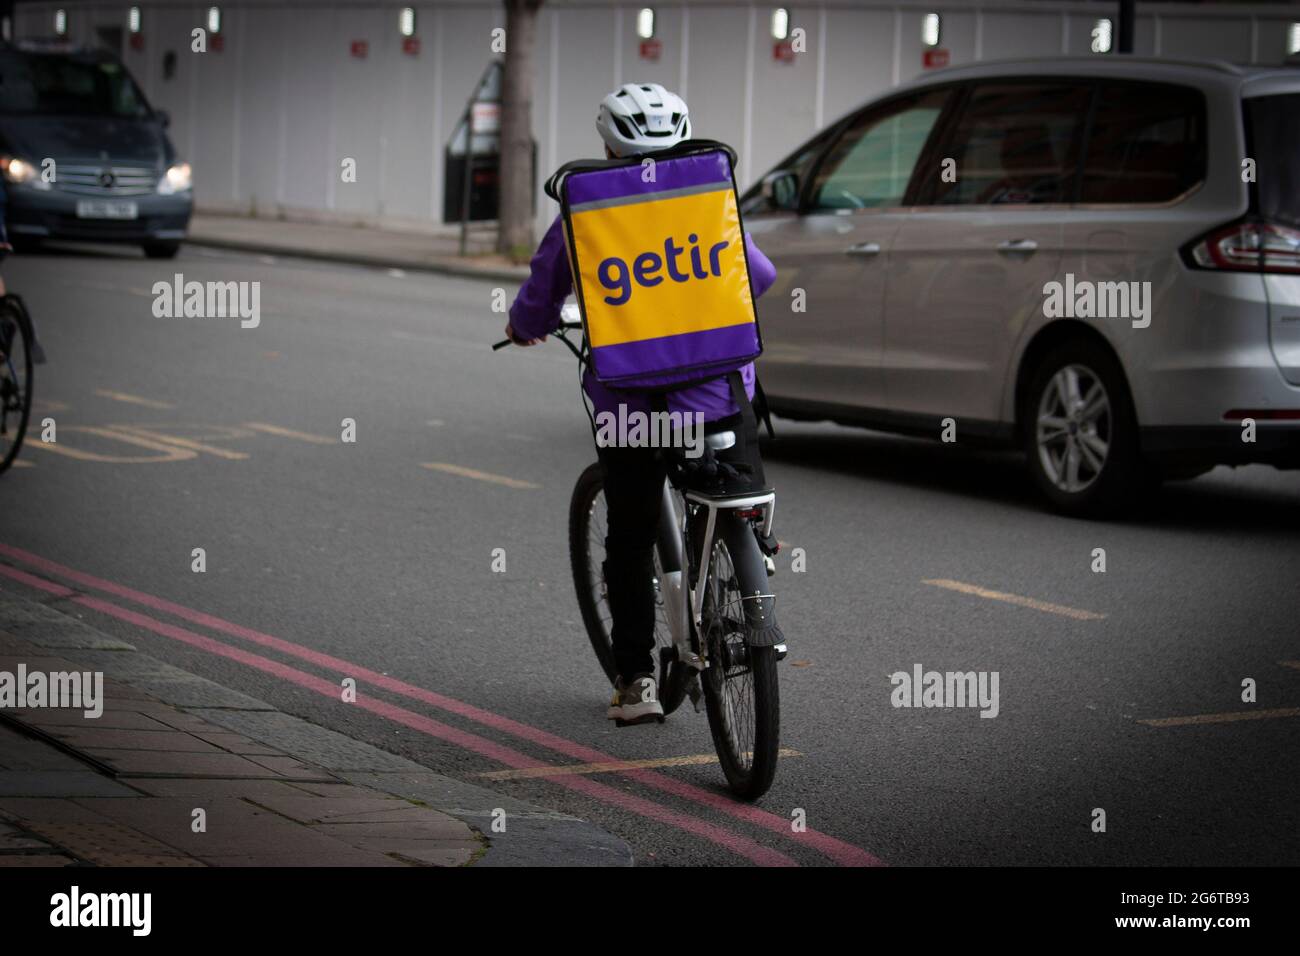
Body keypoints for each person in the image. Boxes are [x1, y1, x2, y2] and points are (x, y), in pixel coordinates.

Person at [503, 83, 778, 724]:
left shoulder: (585, 207)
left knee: (628, 538)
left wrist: (524, 326)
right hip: (715, 398)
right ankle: (753, 563)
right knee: (736, 494)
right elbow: (758, 277)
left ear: (606, 143)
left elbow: (541, 297)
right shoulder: (707, 197)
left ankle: (635, 682)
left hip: (634, 411)